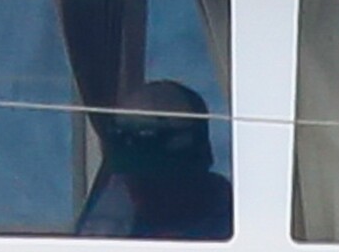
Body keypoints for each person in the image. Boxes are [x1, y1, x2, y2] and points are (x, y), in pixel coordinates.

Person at [76, 80, 232, 241]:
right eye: (131, 179)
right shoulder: (113, 208)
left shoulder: (234, 221)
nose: (135, 191)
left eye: (153, 180)